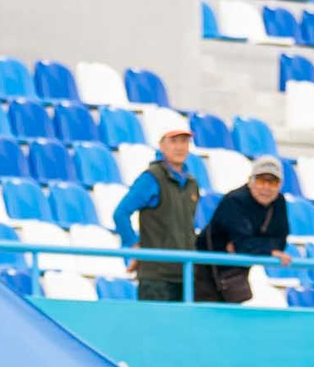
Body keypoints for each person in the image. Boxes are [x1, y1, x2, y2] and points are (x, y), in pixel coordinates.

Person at [112, 125, 201, 303]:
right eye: (174, 141)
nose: (180, 147)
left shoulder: (191, 182)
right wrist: (134, 246)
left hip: (185, 273)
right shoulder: (151, 178)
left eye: (184, 141)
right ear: (162, 145)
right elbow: (121, 213)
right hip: (157, 276)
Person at [195, 154, 290, 303]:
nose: (266, 188)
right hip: (205, 270)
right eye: (261, 181)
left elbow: (280, 242)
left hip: (234, 274)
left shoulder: (279, 201)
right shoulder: (234, 200)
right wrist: (266, 249)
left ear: (280, 186)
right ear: (250, 181)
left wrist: (253, 246)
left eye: (272, 182)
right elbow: (243, 244)